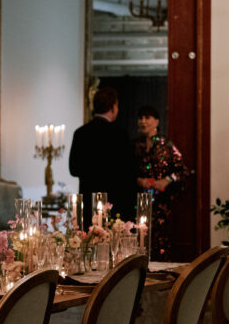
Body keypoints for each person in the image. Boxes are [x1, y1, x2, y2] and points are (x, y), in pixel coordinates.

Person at [68, 86, 135, 226]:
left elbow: (73, 169)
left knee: (89, 245)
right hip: (115, 205)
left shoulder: (80, 133)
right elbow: (129, 171)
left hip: (88, 205)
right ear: (113, 107)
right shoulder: (120, 134)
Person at [134, 105, 189, 260]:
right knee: (139, 242)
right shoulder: (135, 145)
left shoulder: (166, 145)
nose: (143, 122)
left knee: (160, 245)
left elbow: (182, 171)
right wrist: (138, 180)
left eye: (147, 118)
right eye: (141, 118)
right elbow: (127, 173)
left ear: (156, 121)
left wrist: (166, 180)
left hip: (161, 205)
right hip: (139, 204)